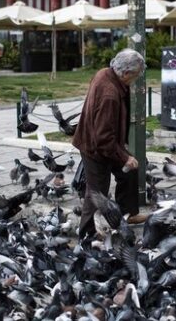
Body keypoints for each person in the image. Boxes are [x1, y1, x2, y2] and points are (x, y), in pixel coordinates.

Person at [73, 48, 147, 238]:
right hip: (95, 147)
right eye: (136, 75)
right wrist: (123, 156)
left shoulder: (106, 73)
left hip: (106, 140)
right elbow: (103, 138)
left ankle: (127, 214)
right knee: (97, 193)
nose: (136, 79)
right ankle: (86, 234)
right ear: (126, 73)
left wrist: (125, 156)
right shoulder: (110, 94)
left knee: (130, 170)